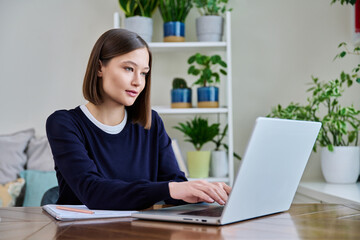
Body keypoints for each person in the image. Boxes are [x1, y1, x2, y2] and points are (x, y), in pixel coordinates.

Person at [46, 29, 231, 210]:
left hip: (141, 231)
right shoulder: (64, 124)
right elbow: (93, 192)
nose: (138, 81)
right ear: (99, 67)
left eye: (143, 73)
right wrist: (171, 188)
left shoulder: (151, 122)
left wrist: (204, 192)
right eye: (129, 69)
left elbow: (174, 185)